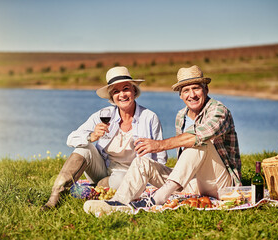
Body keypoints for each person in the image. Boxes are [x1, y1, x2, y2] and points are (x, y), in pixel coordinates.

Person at [83, 65, 241, 214]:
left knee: (198, 142)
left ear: (206, 89)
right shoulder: (181, 116)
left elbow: (197, 137)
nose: (191, 95)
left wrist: (159, 145)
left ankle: (158, 198)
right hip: (191, 183)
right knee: (141, 163)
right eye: (186, 90)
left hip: (221, 184)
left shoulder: (218, 110)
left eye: (196, 88)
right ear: (180, 94)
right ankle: (119, 203)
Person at [41, 66, 168, 210]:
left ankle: (96, 189)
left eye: (126, 88)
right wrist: (92, 136)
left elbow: (161, 157)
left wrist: (152, 184)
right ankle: (54, 198)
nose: (122, 95)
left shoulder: (149, 117)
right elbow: (71, 139)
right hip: (103, 171)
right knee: (84, 148)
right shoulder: (103, 115)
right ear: (111, 97)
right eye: (116, 91)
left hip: (133, 175)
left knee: (121, 179)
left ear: (134, 91)